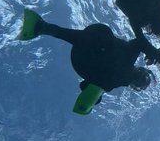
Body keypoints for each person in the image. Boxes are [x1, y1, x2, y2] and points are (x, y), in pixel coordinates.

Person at [16, 9, 152, 113]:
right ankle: (41, 28)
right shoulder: (112, 84)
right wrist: (95, 99)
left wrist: (151, 52)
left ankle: (42, 27)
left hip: (94, 41)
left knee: (96, 37)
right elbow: (84, 86)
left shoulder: (129, 57)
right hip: (82, 61)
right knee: (92, 41)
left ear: (140, 69)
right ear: (133, 85)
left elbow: (140, 43)